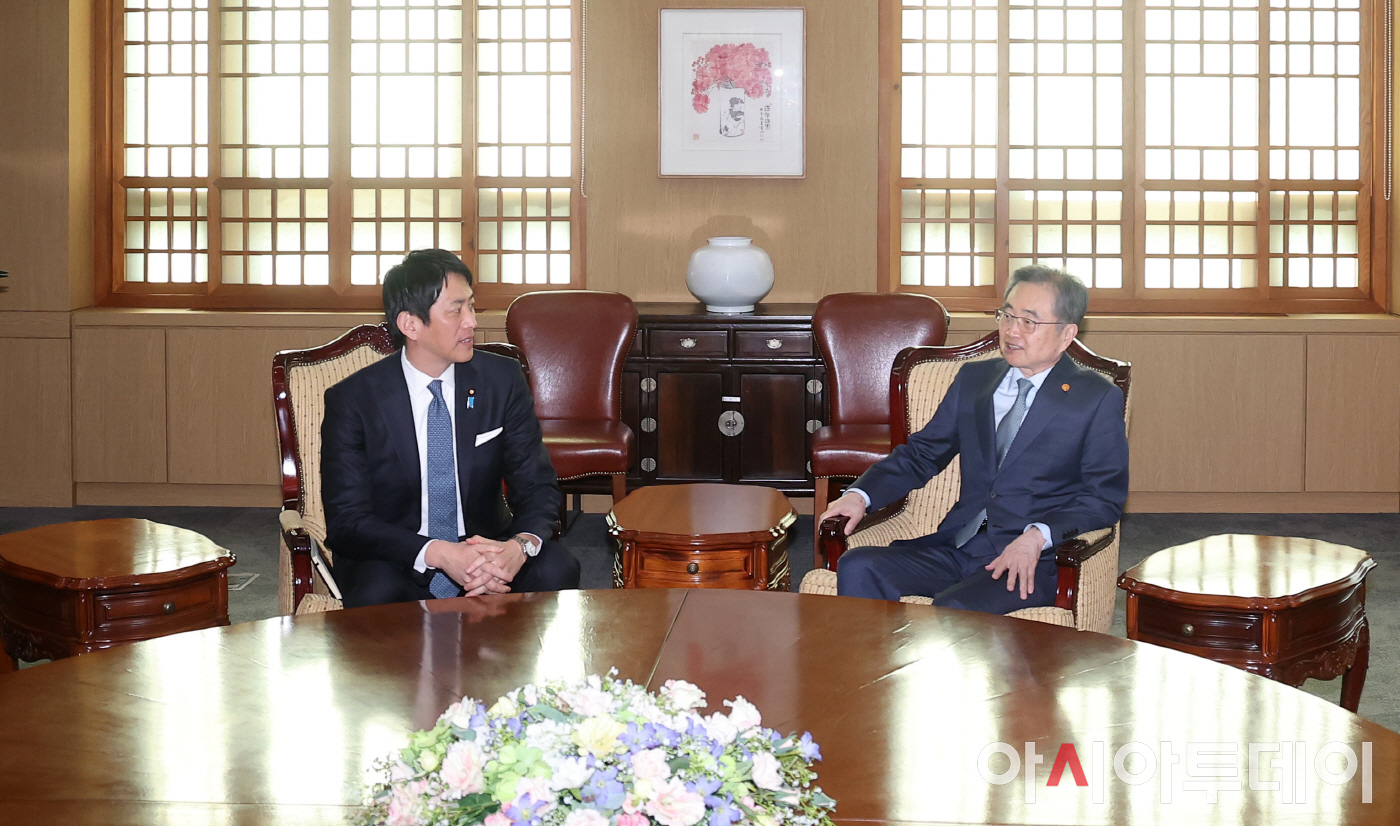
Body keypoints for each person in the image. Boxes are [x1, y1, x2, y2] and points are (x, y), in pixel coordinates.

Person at [824, 265, 1129, 613]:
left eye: (1029, 322)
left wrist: (1037, 536)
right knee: (859, 565)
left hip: (1029, 560)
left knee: (954, 607)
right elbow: (922, 453)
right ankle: (876, 652)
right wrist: (860, 495)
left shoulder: (1095, 397)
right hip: (958, 546)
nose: (1012, 331)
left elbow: (1104, 498)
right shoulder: (975, 379)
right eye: (1007, 315)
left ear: (1066, 334)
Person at [321, 249, 580, 607]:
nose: (471, 321)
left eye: (471, 306)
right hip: (400, 556)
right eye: (456, 310)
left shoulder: (501, 380)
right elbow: (347, 521)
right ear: (411, 324)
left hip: (486, 549)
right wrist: (439, 553)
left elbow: (537, 485)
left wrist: (518, 547)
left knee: (557, 568)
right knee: (376, 592)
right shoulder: (354, 400)